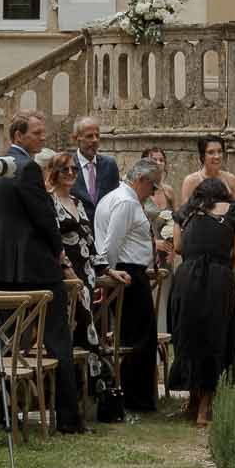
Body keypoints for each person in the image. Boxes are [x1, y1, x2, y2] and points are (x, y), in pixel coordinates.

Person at [0, 128, 83, 434]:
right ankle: (68, 418)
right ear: (18, 134)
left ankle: (4, 414)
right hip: (36, 270)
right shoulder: (25, 168)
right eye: (37, 133)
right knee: (58, 341)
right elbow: (43, 218)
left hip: (4, 268)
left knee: (9, 345)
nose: (42, 137)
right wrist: (59, 252)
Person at [40, 148, 122, 409]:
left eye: (74, 169)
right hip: (66, 276)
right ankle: (85, 394)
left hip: (85, 274)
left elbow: (90, 241)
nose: (71, 173)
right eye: (65, 169)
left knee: (89, 331)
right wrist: (66, 270)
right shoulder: (49, 201)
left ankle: (91, 395)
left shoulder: (77, 202)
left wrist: (107, 270)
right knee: (81, 333)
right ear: (54, 172)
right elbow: (51, 241)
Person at [169, 177, 235, 426]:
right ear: (224, 194)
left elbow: (178, 246)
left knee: (187, 336)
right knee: (215, 338)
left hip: (187, 278)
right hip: (218, 278)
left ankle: (192, 401)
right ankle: (205, 407)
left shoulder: (185, 212)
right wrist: (222, 267)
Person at [95, 159, 164, 414]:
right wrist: (108, 270)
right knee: (140, 340)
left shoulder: (119, 197)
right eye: (153, 186)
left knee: (136, 337)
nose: (153, 192)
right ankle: (137, 399)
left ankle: (134, 396)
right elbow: (112, 242)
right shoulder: (125, 201)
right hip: (128, 273)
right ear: (142, 180)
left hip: (131, 270)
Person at [141, 145, 177, 331]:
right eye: (153, 159)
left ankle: (163, 342)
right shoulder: (139, 191)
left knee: (165, 299)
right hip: (146, 251)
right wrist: (154, 243)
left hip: (166, 256)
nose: (158, 163)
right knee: (150, 299)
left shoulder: (169, 192)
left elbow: (176, 222)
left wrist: (174, 248)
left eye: (161, 160)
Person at [69, 115, 120, 218]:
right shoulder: (67, 166)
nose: (95, 140)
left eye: (97, 136)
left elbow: (116, 199)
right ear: (76, 138)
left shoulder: (109, 165)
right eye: (89, 136)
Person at [180, 134, 235, 206]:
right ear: (202, 155)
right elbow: (184, 213)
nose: (217, 156)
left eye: (220, 151)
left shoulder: (231, 179)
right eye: (211, 152)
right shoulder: (191, 181)